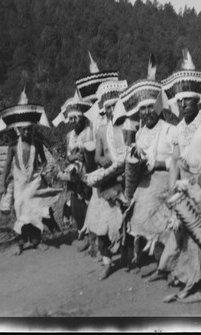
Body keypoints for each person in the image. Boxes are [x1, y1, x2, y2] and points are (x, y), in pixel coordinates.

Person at [149, 48, 201, 303]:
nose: (182, 105)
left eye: (187, 101)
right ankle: (191, 281)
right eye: (179, 101)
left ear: (197, 100)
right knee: (185, 235)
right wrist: (173, 191)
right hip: (184, 186)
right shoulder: (178, 129)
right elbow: (175, 162)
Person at [113, 54, 176, 275]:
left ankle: (165, 263)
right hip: (144, 182)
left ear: (158, 108)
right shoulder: (139, 133)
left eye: (151, 107)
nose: (147, 112)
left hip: (165, 181)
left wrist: (157, 163)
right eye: (143, 109)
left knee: (150, 209)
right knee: (130, 206)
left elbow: (178, 160)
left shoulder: (170, 130)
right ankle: (134, 255)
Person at [0, 89, 62, 256]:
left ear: (32, 129)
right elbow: (7, 164)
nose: (27, 132)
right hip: (19, 183)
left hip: (33, 182)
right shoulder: (13, 146)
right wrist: (3, 181)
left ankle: (36, 241)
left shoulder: (38, 144)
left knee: (35, 209)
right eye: (24, 129)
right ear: (18, 128)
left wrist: (43, 171)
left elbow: (43, 161)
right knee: (20, 211)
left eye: (29, 129)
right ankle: (20, 243)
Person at [79, 79, 129, 280]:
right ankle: (107, 261)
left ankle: (129, 255)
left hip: (125, 180)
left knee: (127, 223)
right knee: (101, 225)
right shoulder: (101, 131)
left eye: (114, 107)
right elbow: (97, 157)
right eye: (107, 108)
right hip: (107, 181)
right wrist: (104, 161)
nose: (110, 111)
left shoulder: (128, 127)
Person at [52, 92, 94, 251]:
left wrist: (82, 154)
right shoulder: (69, 136)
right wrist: (70, 159)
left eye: (77, 117)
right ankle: (84, 235)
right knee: (76, 209)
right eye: (71, 118)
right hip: (74, 177)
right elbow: (67, 156)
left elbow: (93, 152)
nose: (74, 121)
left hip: (88, 175)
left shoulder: (90, 131)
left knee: (89, 206)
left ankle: (93, 238)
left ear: (83, 116)